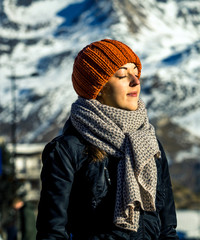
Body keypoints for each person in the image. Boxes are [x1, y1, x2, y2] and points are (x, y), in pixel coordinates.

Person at [36, 39, 179, 240]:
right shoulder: (66, 150)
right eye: (122, 74)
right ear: (98, 88)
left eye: (136, 73)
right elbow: (52, 233)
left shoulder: (150, 144)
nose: (135, 81)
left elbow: (167, 230)